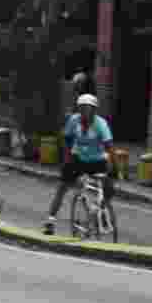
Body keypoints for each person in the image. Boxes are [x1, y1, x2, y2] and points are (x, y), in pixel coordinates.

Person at [43, 94, 114, 235]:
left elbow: (109, 146)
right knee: (62, 188)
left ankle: (101, 210)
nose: (84, 112)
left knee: (109, 190)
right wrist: (67, 156)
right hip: (78, 158)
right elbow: (67, 138)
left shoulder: (101, 124)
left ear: (94, 110)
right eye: (81, 109)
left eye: (88, 109)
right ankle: (50, 221)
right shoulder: (73, 120)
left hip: (97, 160)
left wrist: (112, 164)